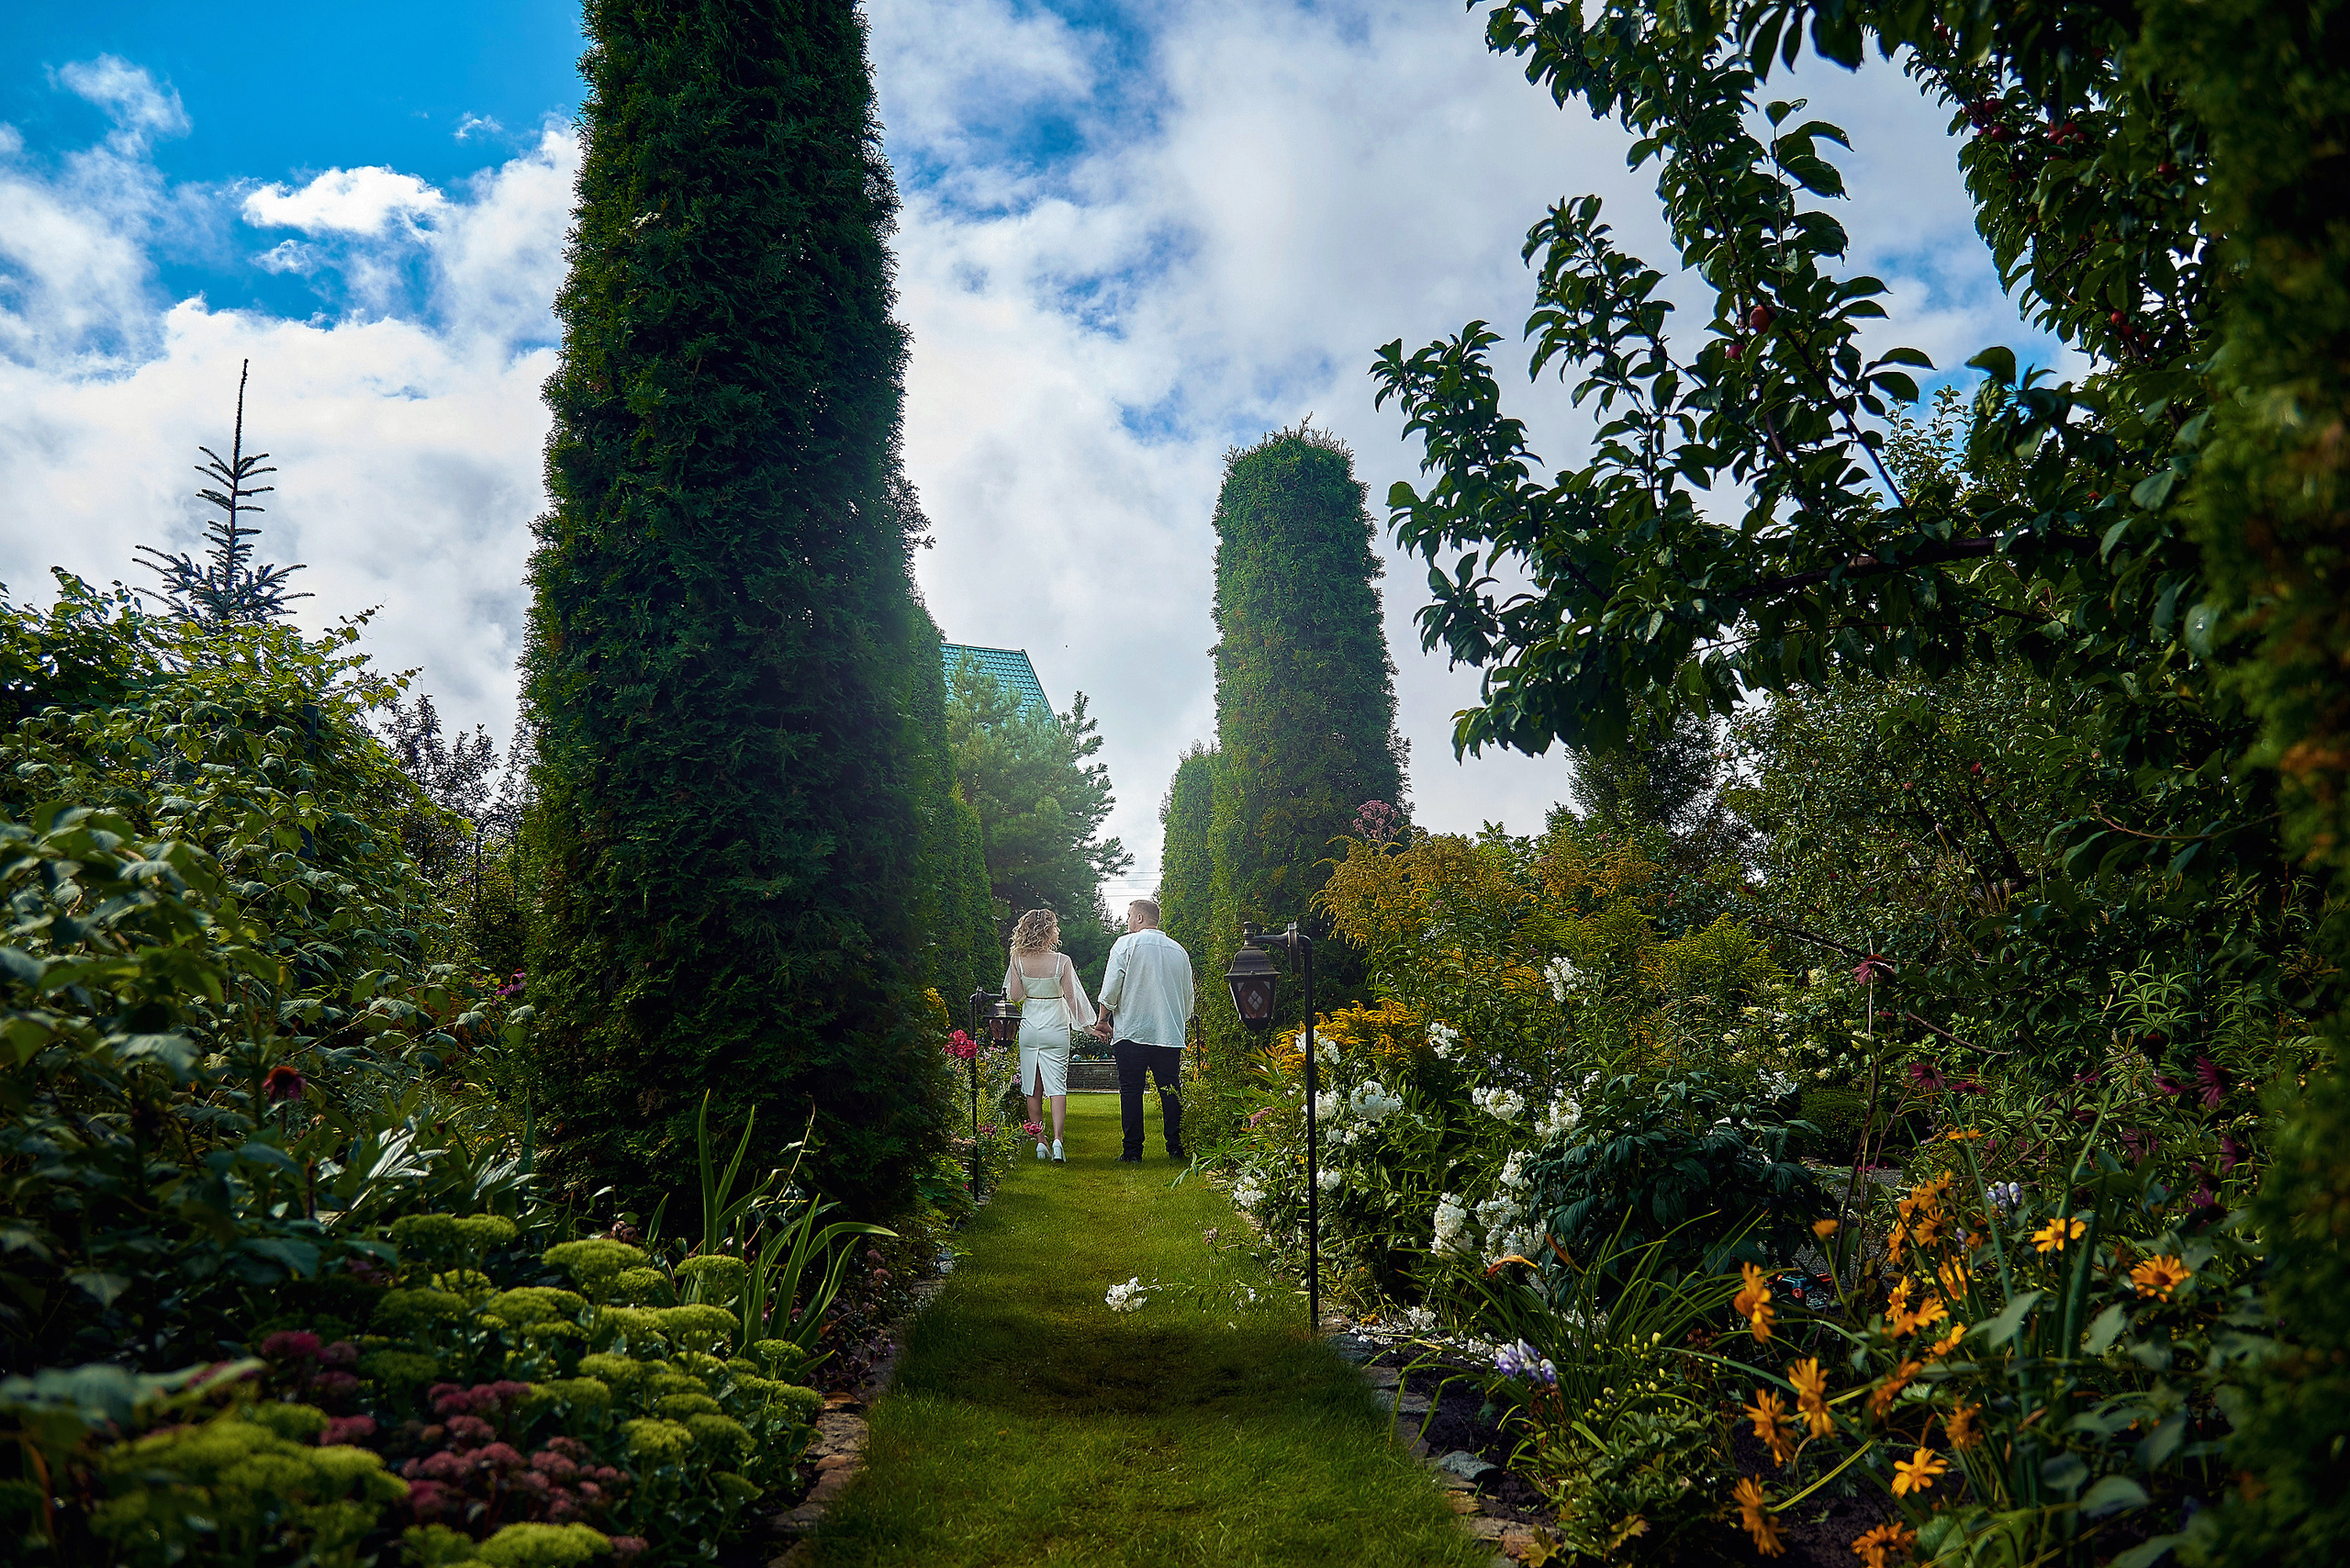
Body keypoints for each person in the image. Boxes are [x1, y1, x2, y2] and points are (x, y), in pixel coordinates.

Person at [1091, 898, 1195, 1162]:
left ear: (1139, 918)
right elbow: (1187, 998)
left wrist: (1103, 1020)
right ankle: (1176, 1147)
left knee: (1131, 1091)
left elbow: (1111, 987)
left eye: (1128, 916)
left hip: (1132, 1031)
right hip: (1168, 1033)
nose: (1127, 921)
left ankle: (1133, 1152)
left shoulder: (1125, 945)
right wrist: (1178, 1022)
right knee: (1171, 1090)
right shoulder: (1178, 951)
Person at [1005, 908, 1094, 1165]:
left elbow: (1015, 996)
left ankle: (1039, 1141)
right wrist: (1088, 1026)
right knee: (1057, 1087)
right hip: (1056, 1026)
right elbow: (1072, 998)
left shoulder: (1017, 959)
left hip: (1030, 1027)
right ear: (1049, 932)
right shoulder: (1062, 961)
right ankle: (1058, 1140)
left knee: (1032, 1086)